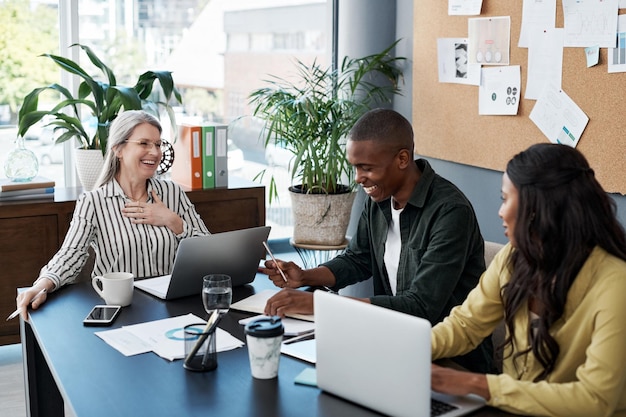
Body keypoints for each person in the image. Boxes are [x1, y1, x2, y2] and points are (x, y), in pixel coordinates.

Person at [261, 108, 494, 373]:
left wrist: (322, 305)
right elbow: (358, 259)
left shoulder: (450, 212)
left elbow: (420, 307)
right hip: (397, 346)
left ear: (402, 159)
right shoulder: (380, 199)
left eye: (367, 168)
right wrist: (304, 277)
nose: (358, 178)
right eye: (356, 167)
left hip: (454, 364)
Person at [431, 143, 626, 416]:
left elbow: (594, 399)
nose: (500, 212)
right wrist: (413, 349)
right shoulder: (513, 256)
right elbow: (466, 325)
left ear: (537, 208)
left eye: (505, 198)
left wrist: (477, 384)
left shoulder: (616, 284)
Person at [15, 110, 210, 318]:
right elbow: (71, 254)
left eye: (158, 144)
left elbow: (209, 252)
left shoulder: (173, 193)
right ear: (118, 149)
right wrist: (41, 285)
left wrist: (173, 221)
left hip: (170, 309)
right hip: (120, 310)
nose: (154, 152)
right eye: (144, 143)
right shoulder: (93, 202)